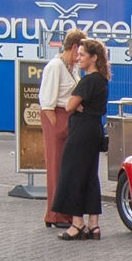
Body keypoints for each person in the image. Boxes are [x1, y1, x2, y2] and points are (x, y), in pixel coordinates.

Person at [51, 38, 111, 240]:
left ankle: (77, 224)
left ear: (93, 58)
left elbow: (69, 105)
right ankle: (94, 225)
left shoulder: (88, 80)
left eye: (82, 55)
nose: (78, 58)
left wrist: (74, 104)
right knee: (90, 176)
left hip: (81, 132)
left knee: (72, 174)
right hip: (94, 130)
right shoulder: (102, 80)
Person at [38, 28, 86, 227]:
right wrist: (57, 127)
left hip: (67, 118)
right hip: (57, 118)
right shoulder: (55, 67)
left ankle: (63, 212)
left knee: (66, 168)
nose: (80, 57)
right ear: (74, 47)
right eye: (80, 52)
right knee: (56, 166)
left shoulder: (70, 68)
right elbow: (47, 101)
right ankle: (56, 214)